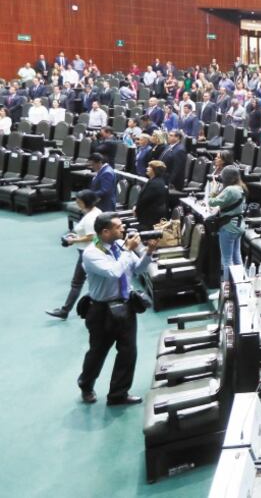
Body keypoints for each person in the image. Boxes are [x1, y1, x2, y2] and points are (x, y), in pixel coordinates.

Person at [77, 213, 157, 405]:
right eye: (118, 226)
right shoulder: (91, 253)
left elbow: (137, 270)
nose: (123, 228)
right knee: (98, 352)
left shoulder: (120, 246)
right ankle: (86, 385)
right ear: (105, 232)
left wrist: (149, 252)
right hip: (102, 311)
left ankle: (118, 394)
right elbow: (114, 272)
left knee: (128, 352)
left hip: (126, 306)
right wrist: (128, 251)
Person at [46, 190, 101, 320]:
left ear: (86, 202)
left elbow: (91, 236)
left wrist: (74, 240)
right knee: (91, 282)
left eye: (79, 201)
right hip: (91, 251)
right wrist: (75, 236)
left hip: (87, 253)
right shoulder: (95, 211)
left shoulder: (90, 217)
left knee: (77, 283)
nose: (77, 203)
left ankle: (65, 311)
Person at [207, 165, 247, 282]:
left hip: (228, 227)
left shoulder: (230, 190)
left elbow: (212, 202)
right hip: (239, 226)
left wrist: (214, 189)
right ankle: (240, 284)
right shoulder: (240, 188)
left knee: (226, 260)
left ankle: (227, 288)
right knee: (237, 256)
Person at [134, 161, 169, 230]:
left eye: (150, 167)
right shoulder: (154, 181)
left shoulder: (155, 184)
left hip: (149, 221)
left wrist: (136, 210)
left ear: (155, 170)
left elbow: (144, 200)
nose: (147, 168)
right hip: (148, 218)